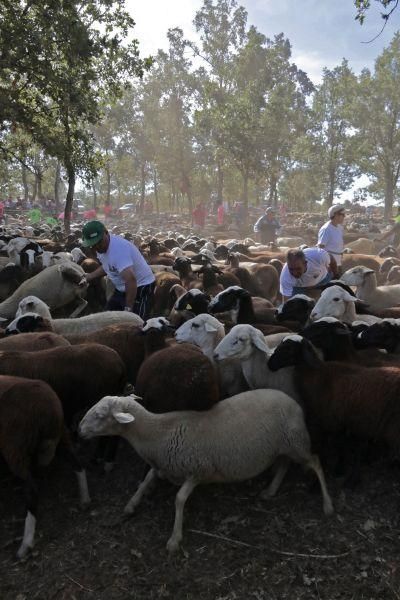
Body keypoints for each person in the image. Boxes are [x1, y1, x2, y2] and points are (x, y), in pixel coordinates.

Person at [82, 220, 155, 319]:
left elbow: (131, 280)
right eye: (93, 244)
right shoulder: (101, 249)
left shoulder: (119, 250)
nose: (97, 246)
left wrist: (128, 309)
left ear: (106, 232)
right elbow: (108, 265)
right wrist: (90, 276)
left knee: (135, 324)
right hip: (121, 289)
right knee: (107, 319)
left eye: (99, 242)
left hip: (140, 287)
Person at [317, 204, 345, 276]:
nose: (344, 217)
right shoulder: (326, 229)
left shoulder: (339, 227)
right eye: (342, 214)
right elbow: (320, 248)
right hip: (329, 265)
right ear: (335, 215)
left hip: (338, 263)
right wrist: (325, 266)